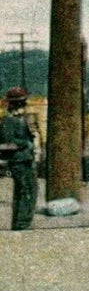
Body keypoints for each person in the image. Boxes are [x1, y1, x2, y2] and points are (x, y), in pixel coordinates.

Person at [1, 87, 38, 231]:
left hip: (25, 159)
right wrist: (25, 143)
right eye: (23, 102)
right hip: (18, 161)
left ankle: (22, 222)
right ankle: (22, 223)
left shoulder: (19, 119)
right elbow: (7, 143)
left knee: (27, 190)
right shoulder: (9, 121)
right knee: (26, 191)